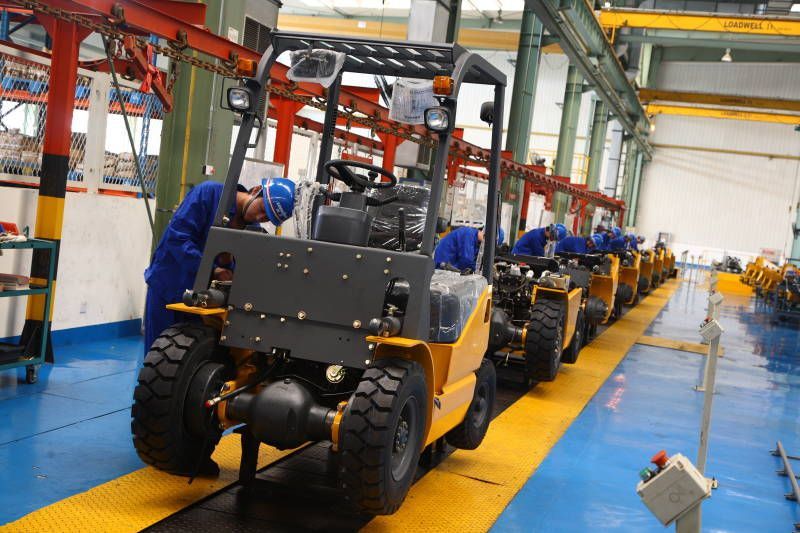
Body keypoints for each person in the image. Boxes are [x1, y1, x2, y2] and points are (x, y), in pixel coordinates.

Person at [143, 178, 295, 353]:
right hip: (169, 287)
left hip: (203, 302)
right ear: (255, 190)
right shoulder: (208, 194)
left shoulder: (252, 228)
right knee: (157, 356)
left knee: (188, 360)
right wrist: (213, 269)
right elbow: (177, 238)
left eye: (267, 218)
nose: (259, 217)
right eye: (262, 209)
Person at [434, 226, 504, 272]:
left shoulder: (476, 241)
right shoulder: (469, 235)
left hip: (449, 267)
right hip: (441, 268)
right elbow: (466, 262)